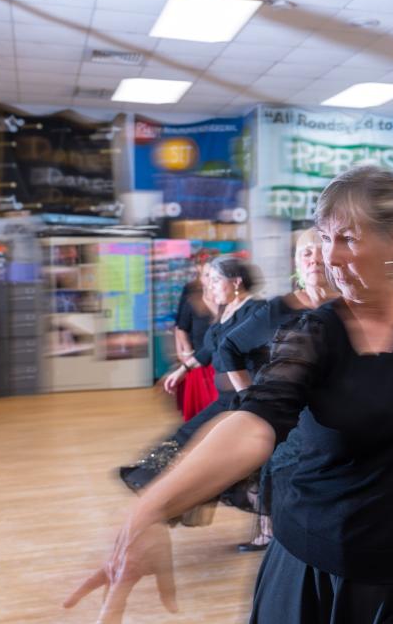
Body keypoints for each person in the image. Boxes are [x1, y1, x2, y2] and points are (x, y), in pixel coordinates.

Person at [66, 0, 393, 621]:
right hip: (313, 573)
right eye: (323, 236)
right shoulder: (316, 333)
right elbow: (253, 421)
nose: (330, 254)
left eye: (347, 236)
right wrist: (148, 507)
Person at [214, 228, 338, 551]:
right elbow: (228, 347)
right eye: (305, 253)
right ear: (297, 263)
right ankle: (273, 536)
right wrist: (250, 398)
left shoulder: (349, 305)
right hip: (288, 417)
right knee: (278, 480)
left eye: (319, 250)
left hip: (333, 419)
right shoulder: (279, 308)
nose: (313, 258)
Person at [118, 254, 263, 492]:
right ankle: (149, 477)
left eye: (216, 280)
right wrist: (183, 369)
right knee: (189, 435)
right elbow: (209, 347)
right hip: (227, 397)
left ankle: (161, 484)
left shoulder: (257, 310)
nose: (210, 285)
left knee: (199, 441)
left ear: (236, 282)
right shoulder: (228, 309)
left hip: (242, 399)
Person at [174, 258, 219, 421]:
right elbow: (181, 328)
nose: (211, 280)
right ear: (201, 278)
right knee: (202, 414)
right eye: (207, 275)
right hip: (200, 364)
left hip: (222, 365)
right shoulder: (193, 301)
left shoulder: (227, 302)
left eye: (215, 275)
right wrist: (186, 351)